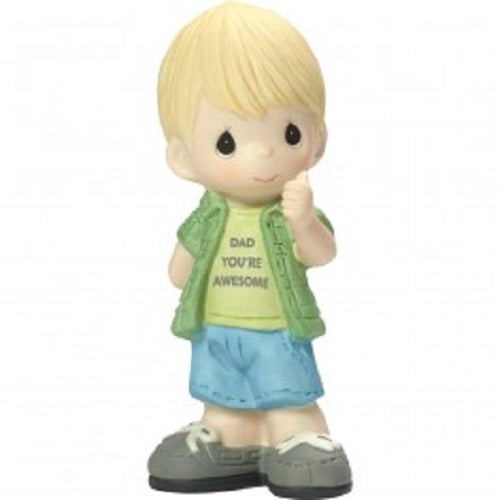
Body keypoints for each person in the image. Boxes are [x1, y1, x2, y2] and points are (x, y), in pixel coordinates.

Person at [147, 2, 352, 498]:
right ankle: (232, 437)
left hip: (277, 329)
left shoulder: (291, 210)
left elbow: (322, 254)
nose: (263, 153)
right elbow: (178, 273)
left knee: (286, 393)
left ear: (318, 139)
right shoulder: (208, 217)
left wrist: (304, 222)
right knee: (223, 395)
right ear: (182, 157)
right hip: (216, 329)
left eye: (289, 133)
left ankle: (297, 434)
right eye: (227, 142)